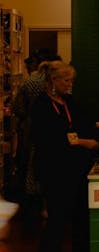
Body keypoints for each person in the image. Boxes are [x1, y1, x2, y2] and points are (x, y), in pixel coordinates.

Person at [30, 60, 99, 252]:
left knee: (74, 217)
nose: (70, 84)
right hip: (54, 170)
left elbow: (84, 120)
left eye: (71, 80)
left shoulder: (67, 101)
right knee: (56, 219)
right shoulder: (41, 105)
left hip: (73, 169)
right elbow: (49, 138)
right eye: (66, 80)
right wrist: (83, 142)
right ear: (53, 81)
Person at [11, 48, 59, 223]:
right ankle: (50, 202)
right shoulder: (55, 83)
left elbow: (19, 109)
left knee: (33, 162)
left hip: (33, 129)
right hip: (55, 131)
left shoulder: (29, 82)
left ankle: (34, 201)